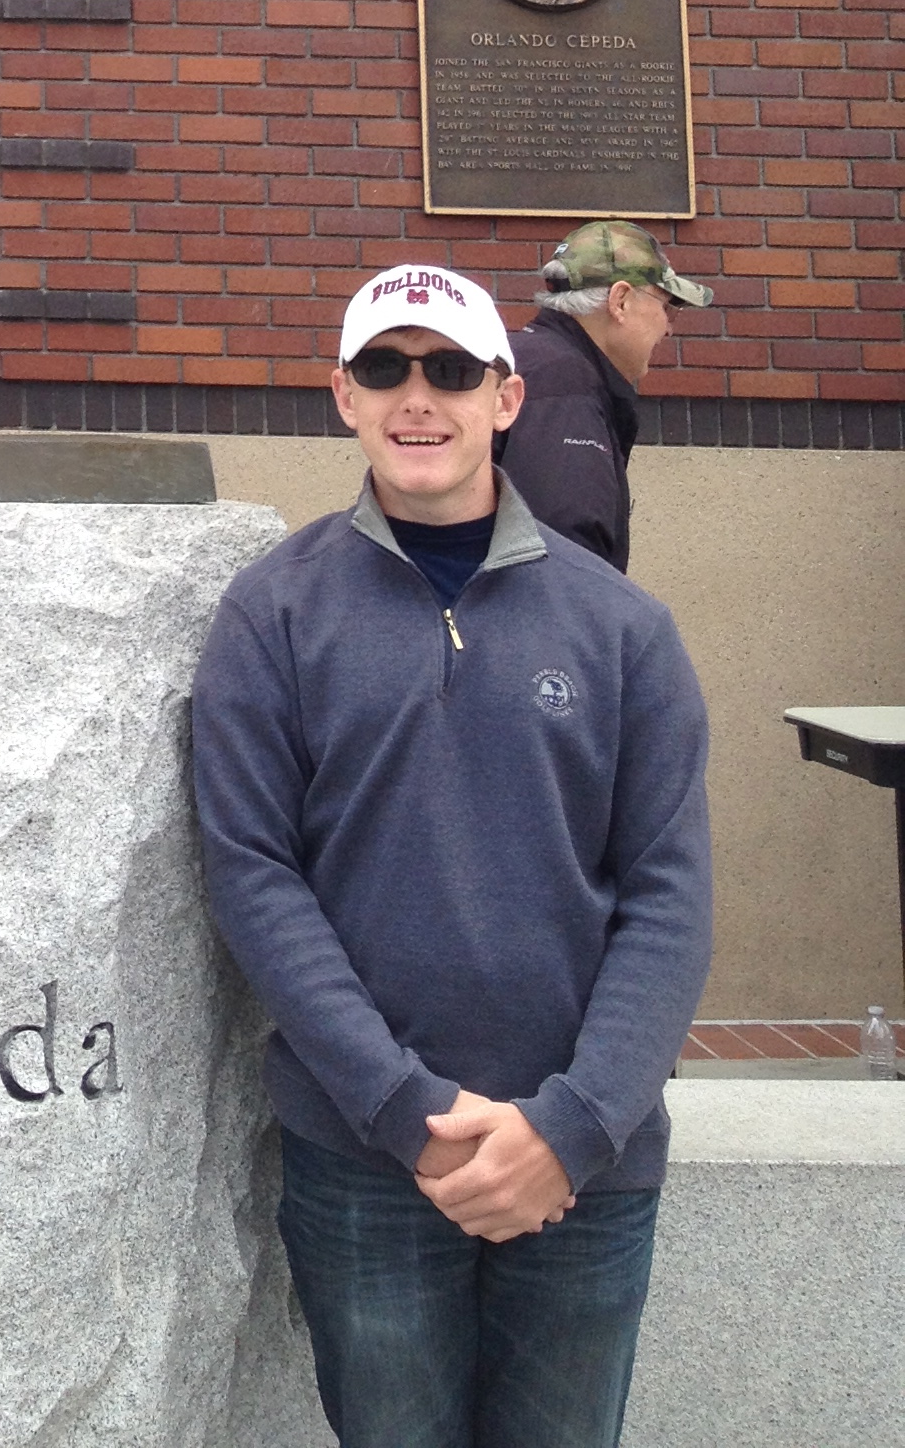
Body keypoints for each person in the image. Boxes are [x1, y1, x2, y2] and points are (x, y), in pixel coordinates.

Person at [191, 261, 712, 1448]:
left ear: (506, 399)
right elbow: (254, 876)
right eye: (385, 368)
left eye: (450, 369)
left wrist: (572, 1128)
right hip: (368, 1162)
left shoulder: (625, 629)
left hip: (584, 1165)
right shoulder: (271, 616)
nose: (416, 397)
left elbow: (670, 895)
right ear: (344, 396)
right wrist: (407, 1108)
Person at [498, 221, 713, 574]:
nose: (669, 326)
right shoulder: (564, 386)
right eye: (668, 306)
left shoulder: (531, 362)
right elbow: (565, 561)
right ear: (621, 301)